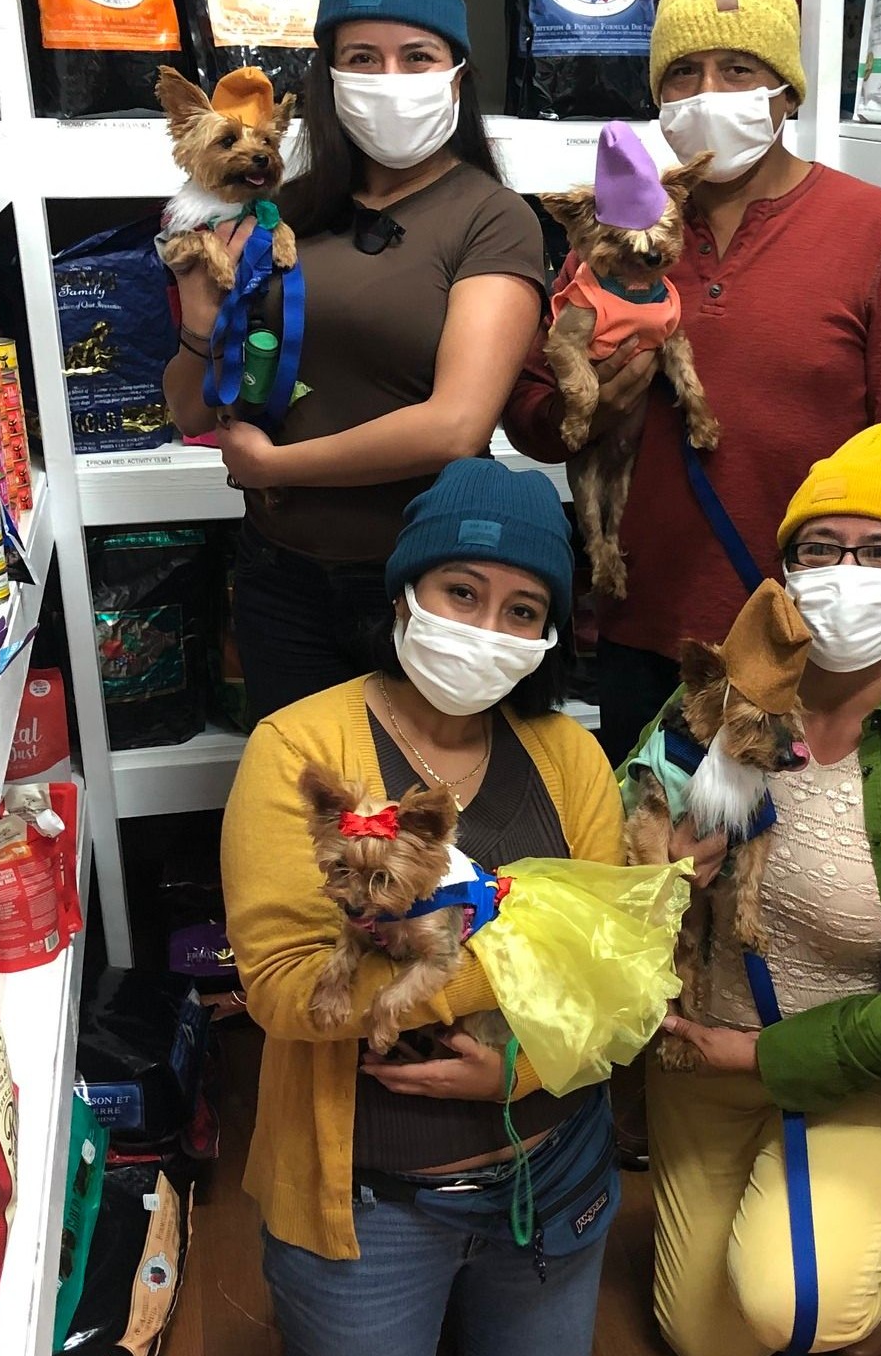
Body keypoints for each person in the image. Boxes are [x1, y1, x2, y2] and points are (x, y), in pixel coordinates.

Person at [504, 0, 881, 766]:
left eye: (739, 68)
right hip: (646, 635)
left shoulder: (879, 234)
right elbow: (532, 419)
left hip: (809, 640)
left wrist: (875, 603)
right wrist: (594, 397)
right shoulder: (614, 235)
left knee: (787, 885)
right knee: (654, 877)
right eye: (684, 73)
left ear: (785, 90)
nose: (708, 95)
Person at [646, 421, 881, 1356]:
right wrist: (654, 854)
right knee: (699, 1336)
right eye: (821, 550)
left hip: (869, 1072)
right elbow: (636, 792)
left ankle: (868, 1253)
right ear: (786, 574)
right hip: (706, 1046)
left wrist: (762, 1059)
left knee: (794, 1311)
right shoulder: (728, 691)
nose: (846, 572)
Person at [220, 459, 624, 1356]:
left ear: (548, 634)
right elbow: (284, 992)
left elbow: (622, 979)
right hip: (370, 1210)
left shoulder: (570, 759)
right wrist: (516, 961)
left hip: (553, 1179)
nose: (486, 629)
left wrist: (513, 1070)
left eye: (522, 612)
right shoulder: (299, 750)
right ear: (406, 592)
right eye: (461, 591)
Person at [164, 0, 547, 720]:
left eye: (417, 56)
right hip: (275, 576)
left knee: (410, 828)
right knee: (304, 815)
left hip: (420, 588)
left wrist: (276, 468)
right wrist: (199, 324)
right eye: (361, 58)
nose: (390, 81)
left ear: (457, 71)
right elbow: (190, 405)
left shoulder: (493, 218)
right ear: (328, 77)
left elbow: (455, 425)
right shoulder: (281, 211)